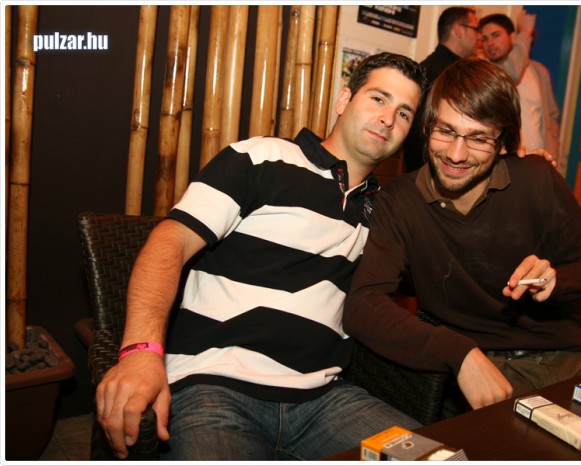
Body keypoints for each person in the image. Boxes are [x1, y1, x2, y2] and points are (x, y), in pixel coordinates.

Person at [95, 52, 425, 461]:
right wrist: (141, 352)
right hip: (214, 387)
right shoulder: (262, 158)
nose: (388, 118)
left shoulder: (384, 211)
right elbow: (170, 241)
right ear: (344, 100)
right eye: (378, 98)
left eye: (404, 113)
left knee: (441, 458)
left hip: (325, 400)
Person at [344, 58, 581, 415]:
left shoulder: (536, 178)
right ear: (427, 128)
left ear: (503, 143)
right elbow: (363, 304)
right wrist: (458, 352)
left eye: (479, 138)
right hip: (478, 375)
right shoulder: (399, 202)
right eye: (445, 131)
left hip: (566, 361)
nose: (456, 155)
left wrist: (555, 279)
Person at [403, 8, 536, 172]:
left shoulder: (425, 68)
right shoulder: (452, 75)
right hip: (438, 172)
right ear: (459, 31)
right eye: (476, 30)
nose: (480, 38)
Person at [480, 13, 561, 163]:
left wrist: (553, 148)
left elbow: (551, 116)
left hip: (540, 160)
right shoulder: (484, 72)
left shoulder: (539, 71)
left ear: (513, 37)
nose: (490, 43)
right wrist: (525, 32)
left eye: (496, 35)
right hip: (505, 162)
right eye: (485, 39)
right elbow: (512, 74)